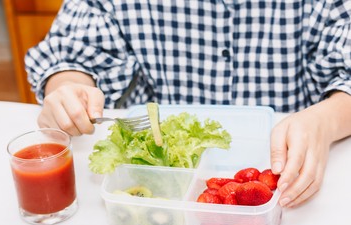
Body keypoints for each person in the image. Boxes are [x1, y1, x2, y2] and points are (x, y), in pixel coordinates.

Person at [25, 0, 351, 208]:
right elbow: (70, 49)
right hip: (159, 189)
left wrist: (327, 119)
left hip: (291, 183)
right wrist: (68, 87)